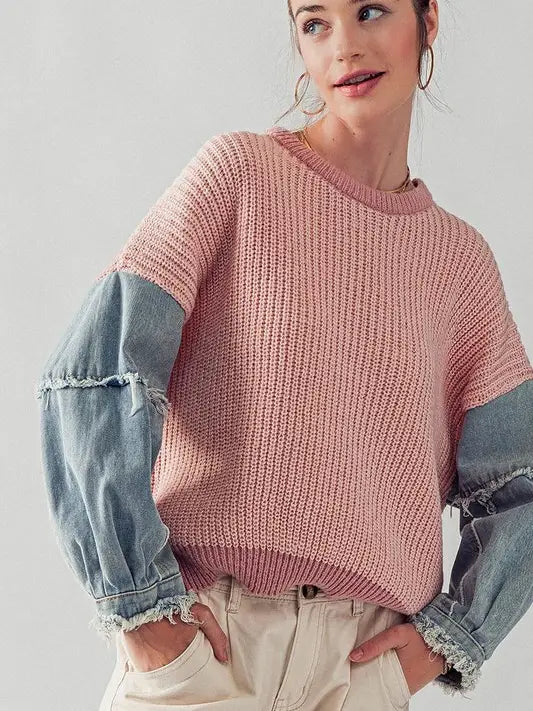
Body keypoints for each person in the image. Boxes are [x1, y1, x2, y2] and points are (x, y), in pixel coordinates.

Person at [35, 0, 533, 709]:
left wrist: (448, 639)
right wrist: (142, 610)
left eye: (370, 11)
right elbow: (96, 378)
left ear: (428, 22)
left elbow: (518, 485)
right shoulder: (238, 175)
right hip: (207, 645)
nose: (344, 47)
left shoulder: (460, 263)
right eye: (314, 22)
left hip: (357, 668)